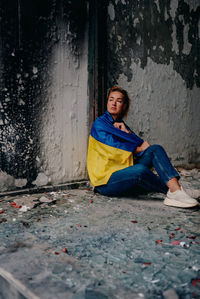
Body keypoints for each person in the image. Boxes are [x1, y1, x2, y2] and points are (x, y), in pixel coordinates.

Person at [87, 86, 199, 208]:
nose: (114, 103)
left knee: (155, 149)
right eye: (111, 99)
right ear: (107, 102)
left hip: (125, 171)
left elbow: (143, 145)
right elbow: (115, 150)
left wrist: (127, 133)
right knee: (140, 170)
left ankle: (176, 191)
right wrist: (138, 149)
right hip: (106, 181)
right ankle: (176, 192)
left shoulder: (121, 124)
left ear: (124, 106)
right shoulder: (100, 124)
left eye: (119, 101)